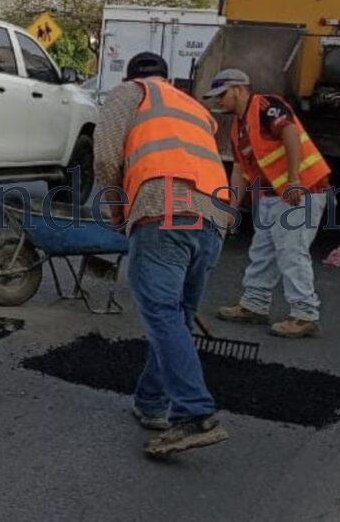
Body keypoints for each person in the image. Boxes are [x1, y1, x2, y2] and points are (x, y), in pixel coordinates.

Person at [94, 52, 233, 458]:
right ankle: (151, 403)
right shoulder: (191, 106)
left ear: (130, 76)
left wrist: (117, 210)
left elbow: (105, 156)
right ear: (168, 78)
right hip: (212, 217)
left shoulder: (130, 93)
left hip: (164, 207)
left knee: (162, 312)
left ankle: (194, 412)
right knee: (177, 316)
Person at [209, 69, 332, 338]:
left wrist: (294, 179)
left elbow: (289, 132)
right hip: (272, 195)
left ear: (239, 90)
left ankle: (305, 314)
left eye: (222, 94)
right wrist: (231, 208)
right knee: (263, 250)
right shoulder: (238, 128)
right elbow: (240, 171)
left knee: (291, 250)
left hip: (302, 190)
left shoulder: (265, 106)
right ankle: (255, 304)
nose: (217, 100)